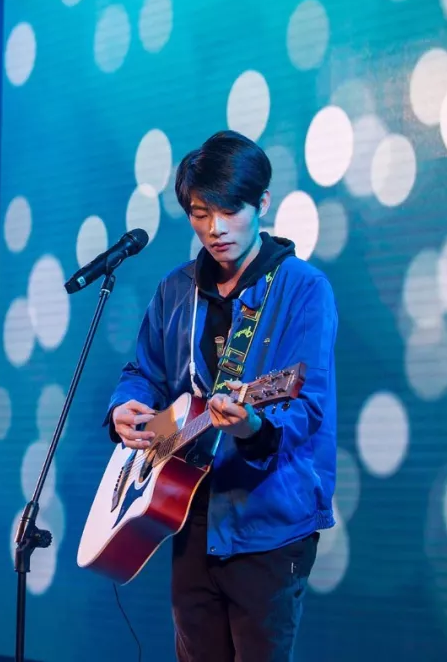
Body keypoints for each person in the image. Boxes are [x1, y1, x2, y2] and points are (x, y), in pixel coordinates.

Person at [107, 131, 337, 661]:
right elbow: (143, 370)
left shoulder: (303, 288)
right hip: (187, 508)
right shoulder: (175, 289)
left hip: (269, 521)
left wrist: (252, 426)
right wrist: (124, 404)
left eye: (230, 211)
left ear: (262, 204)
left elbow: (307, 405)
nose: (215, 228)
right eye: (200, 213)